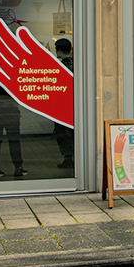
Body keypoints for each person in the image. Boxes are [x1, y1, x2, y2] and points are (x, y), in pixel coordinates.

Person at [54, 38, 74, 171]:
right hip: (73, 104)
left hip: (63, 106)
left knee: (63, 134)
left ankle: (68, 158)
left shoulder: (62, 66)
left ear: (60, 50)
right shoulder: (77, 63)